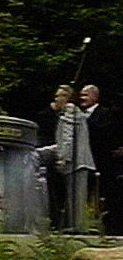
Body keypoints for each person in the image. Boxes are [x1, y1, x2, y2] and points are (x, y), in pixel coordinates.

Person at [38, 85, 96, 231]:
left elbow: (67, 140)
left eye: (58, 96)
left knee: (77, 198)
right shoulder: (70, 112)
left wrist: (62, 160)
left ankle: (78, 229)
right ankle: (74, 227)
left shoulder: (70, 110)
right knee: (73, 197)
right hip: (75, 161)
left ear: (66, 98)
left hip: (77, 161)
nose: (56, 99)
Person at [79, 84, 120, 233]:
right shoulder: (78, 115)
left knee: (102, 194)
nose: (81, 98)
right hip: (83, 162)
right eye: (81, 95)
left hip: (101, 162)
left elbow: (105, 134)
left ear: (94, 96)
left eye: (85, 95)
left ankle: (105, 225)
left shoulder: (105, 114)